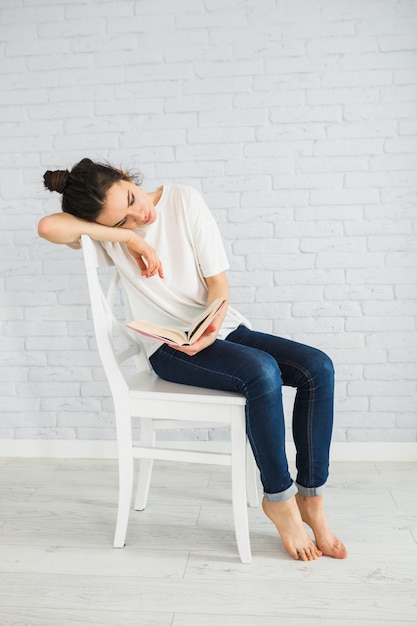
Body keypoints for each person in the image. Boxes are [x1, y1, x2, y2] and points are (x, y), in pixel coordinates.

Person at [39, 157, 347, 562]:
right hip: (167, 349)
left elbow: (218, 284)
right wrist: (128, 240)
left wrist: (208, 327)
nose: (138, 215)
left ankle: (311, 497)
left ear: (127, 176)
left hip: (220, 327)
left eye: (131, 199)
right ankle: (280, 500)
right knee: (262, 372)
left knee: (317, 368)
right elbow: (48, 227)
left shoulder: (184, 200)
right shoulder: (111, 234)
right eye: (123, 221)